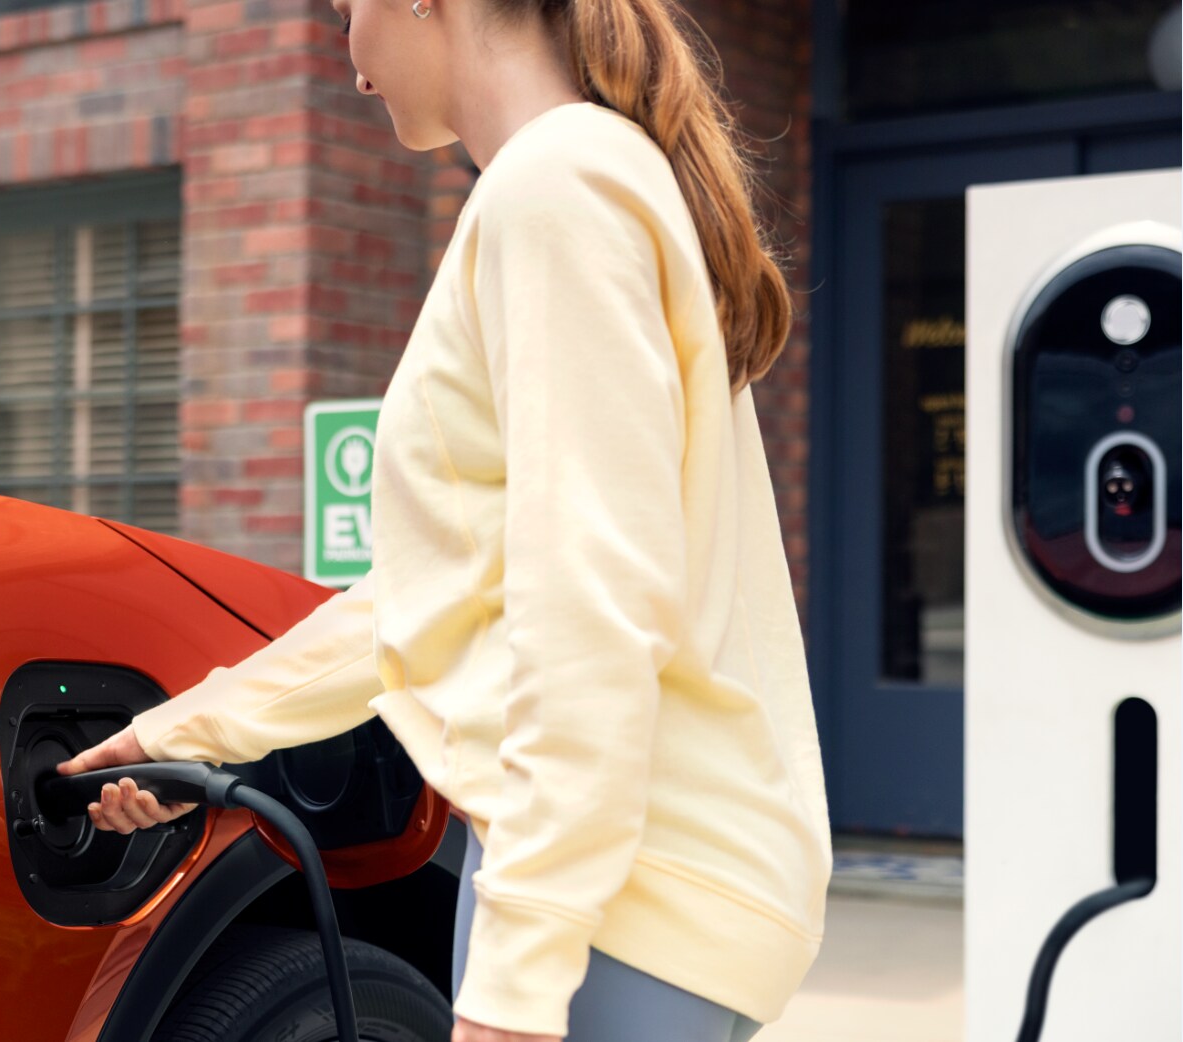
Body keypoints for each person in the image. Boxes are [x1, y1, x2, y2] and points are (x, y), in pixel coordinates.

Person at [55, 0, 830, 1040]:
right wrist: (181, 732)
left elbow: (585, 607)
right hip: (642, 883)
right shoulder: (583, 180)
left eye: (344, 10)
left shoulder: (558, 187)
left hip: (621, 899)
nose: (351, 54)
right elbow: (443, 589)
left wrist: (514, 984)